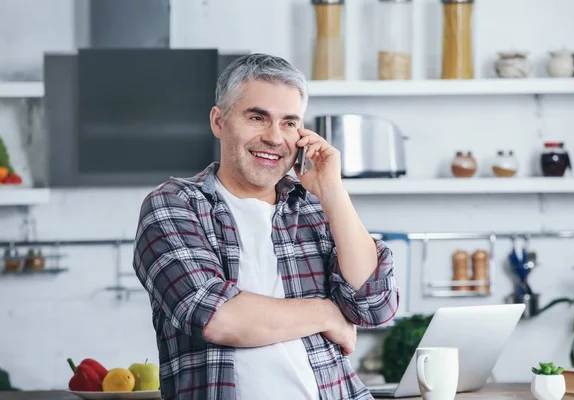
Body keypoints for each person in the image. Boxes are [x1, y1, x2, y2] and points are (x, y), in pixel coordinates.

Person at [132, 53, 399, 400]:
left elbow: (373, 305)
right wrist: (326, 313)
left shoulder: (314, 208)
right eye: (257, 117)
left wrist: (332, 191)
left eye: (289, 123)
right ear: (219, 121)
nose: (275, 138)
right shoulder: (175, 204)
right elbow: (216, 317)